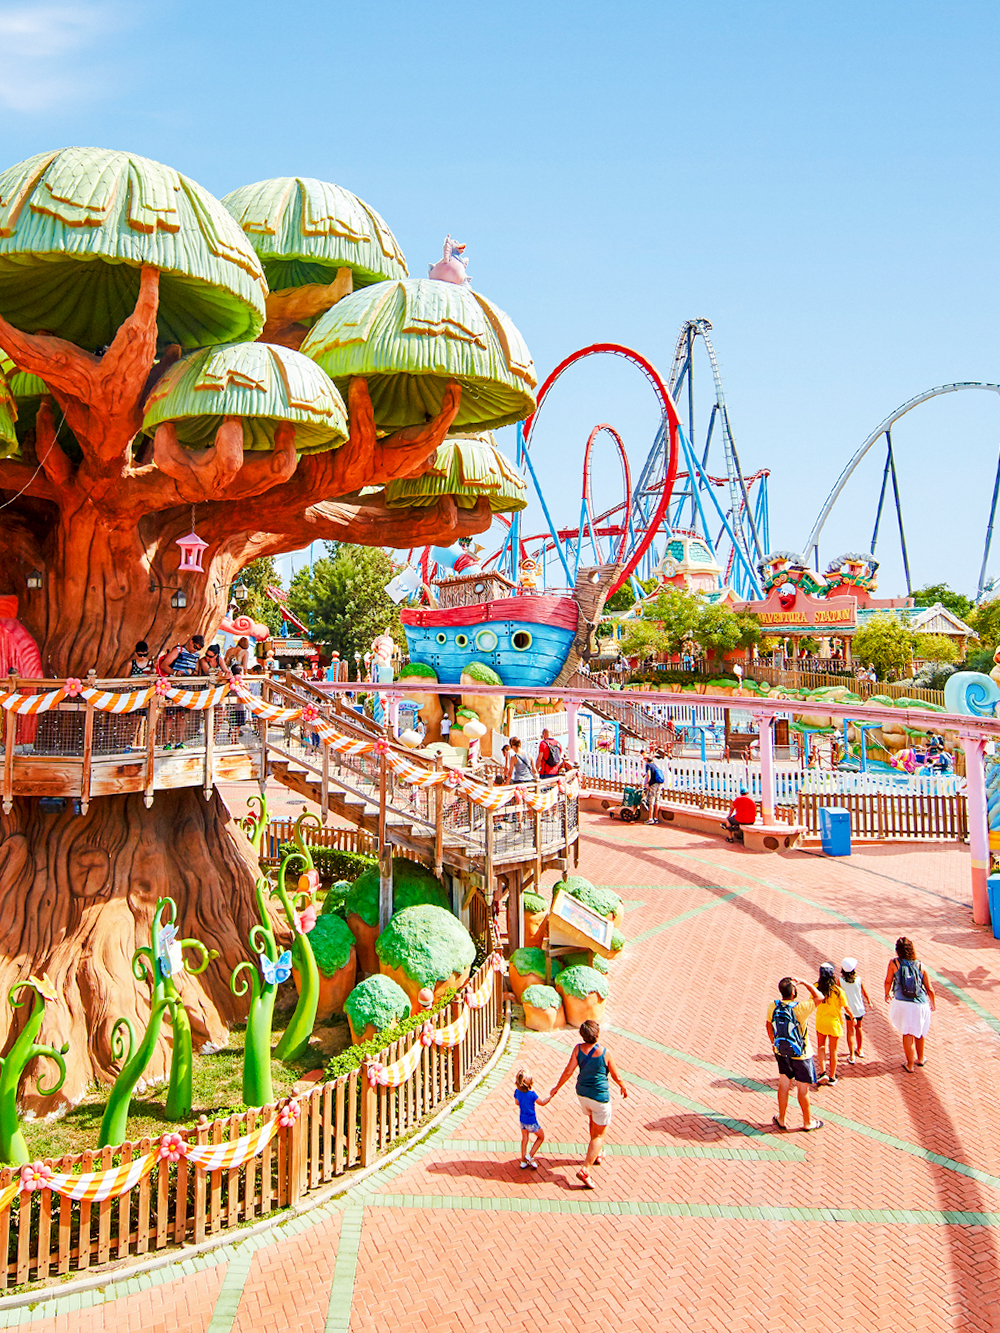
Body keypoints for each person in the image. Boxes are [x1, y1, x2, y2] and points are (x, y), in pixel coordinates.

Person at [548, 1020, 628, 1190]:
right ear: (597, 1035)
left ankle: (596, 1153)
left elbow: (568, 1071)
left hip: (583, 1095)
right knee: (599, 1136)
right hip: (599, 1098)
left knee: (592, 1120)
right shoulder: (605, 1053)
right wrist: (622, 1086)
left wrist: (557, 1087)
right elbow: (616, 1075)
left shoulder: (578, 1049)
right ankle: (585, 1169)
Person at [766, 975, 824, 1132]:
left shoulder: (773, 1005)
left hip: (781, 1052)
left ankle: (782, 1118)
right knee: (802, 1089)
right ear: (793, 992)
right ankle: (807, 1122)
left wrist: (773, 1043)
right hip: (801, 1054)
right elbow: (820, 997)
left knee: (784, 1084)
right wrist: (805, 982)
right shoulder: (801, 1008)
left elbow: (768, 1025)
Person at [885, 936, 936, 1072]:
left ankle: (910, 1064)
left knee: (907, 1033)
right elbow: (929, 988)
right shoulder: (920, 965)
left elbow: (888, 981)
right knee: (920, 1031)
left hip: (902, 1003)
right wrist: (933, 1002)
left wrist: (887, 994)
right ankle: (921, 1058)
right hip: (920, 1004)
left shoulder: (894, 963)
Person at [814, 962, 848, 1085]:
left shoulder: (816, 987)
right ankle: (832, 1076)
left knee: (821, 1047)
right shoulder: (837, 990)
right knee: (833, 1050)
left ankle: (822, 1072)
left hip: (821, 1022)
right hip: (834, 1023)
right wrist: (853, 1018)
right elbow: (846, 1007)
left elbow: (812, 1002)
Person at [514, 1068, 549, 1169]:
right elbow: (542, 1103)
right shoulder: (532, 1095)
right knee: (541, 1137)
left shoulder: (517, 1092)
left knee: (525, 1139)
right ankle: (530, 1155)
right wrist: (550, 1097)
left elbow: (517, 1103)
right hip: (531, 1121)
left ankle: (523, 1160)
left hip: (522, 1120)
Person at [840, 957, 872, 1063]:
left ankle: (852, 1055)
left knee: (850, 1031)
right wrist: (869, 1002)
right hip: (859, 1008)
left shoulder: (840, 981)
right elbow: (864, 992)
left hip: (849, 1010)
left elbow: (837, 993)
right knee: (859, 1028)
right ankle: (860, 1049)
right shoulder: (858, 980)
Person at [643, 750, 665, 816]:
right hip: (659, 784)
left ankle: (650, 818)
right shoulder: (655, 765)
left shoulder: (648, 766)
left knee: (651, 802)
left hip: (653, 785)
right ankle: (656, 817)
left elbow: (649, 775)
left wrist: (647, 783)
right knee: (657, 800)